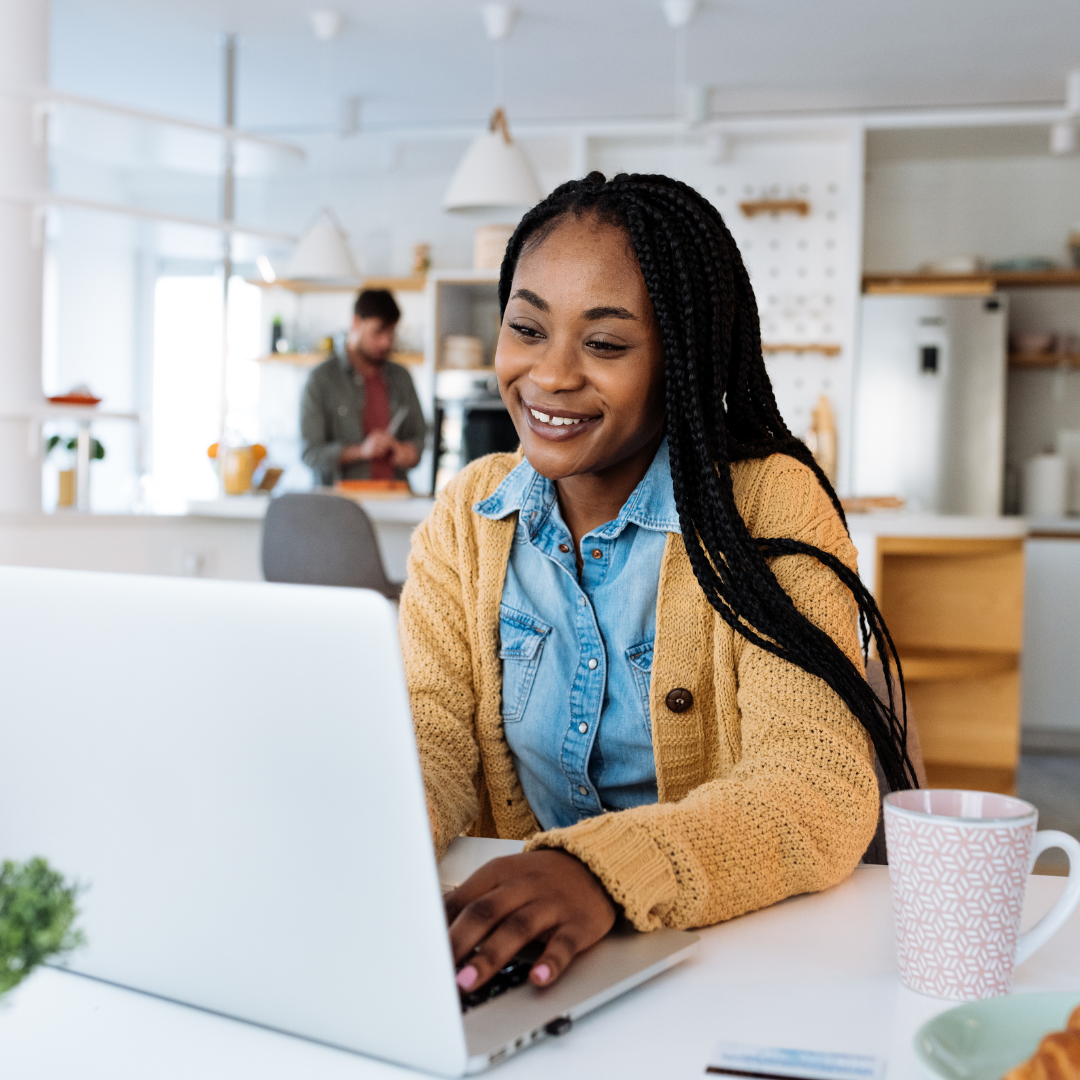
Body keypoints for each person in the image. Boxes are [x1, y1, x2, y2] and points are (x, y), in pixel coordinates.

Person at [399, 173, 916, 999]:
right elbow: (431, 740)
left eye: (604, 345)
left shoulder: (768, 502)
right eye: (527, 328)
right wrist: (367, 853)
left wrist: (599, 873)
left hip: (724, 960)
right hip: (521, 959)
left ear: (681, 358)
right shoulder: (470, 514)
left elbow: (818, 782)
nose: (551, 376)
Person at [300, 289, 426, 486]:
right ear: (356, 323)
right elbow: (310, 454)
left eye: (391, 334)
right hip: (341, 504)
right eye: (378, 332)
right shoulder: (321, 379)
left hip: (396, 499)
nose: (386, 342)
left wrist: (409, 452)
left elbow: (419, 439)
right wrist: (361, 450)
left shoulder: (402, 377)